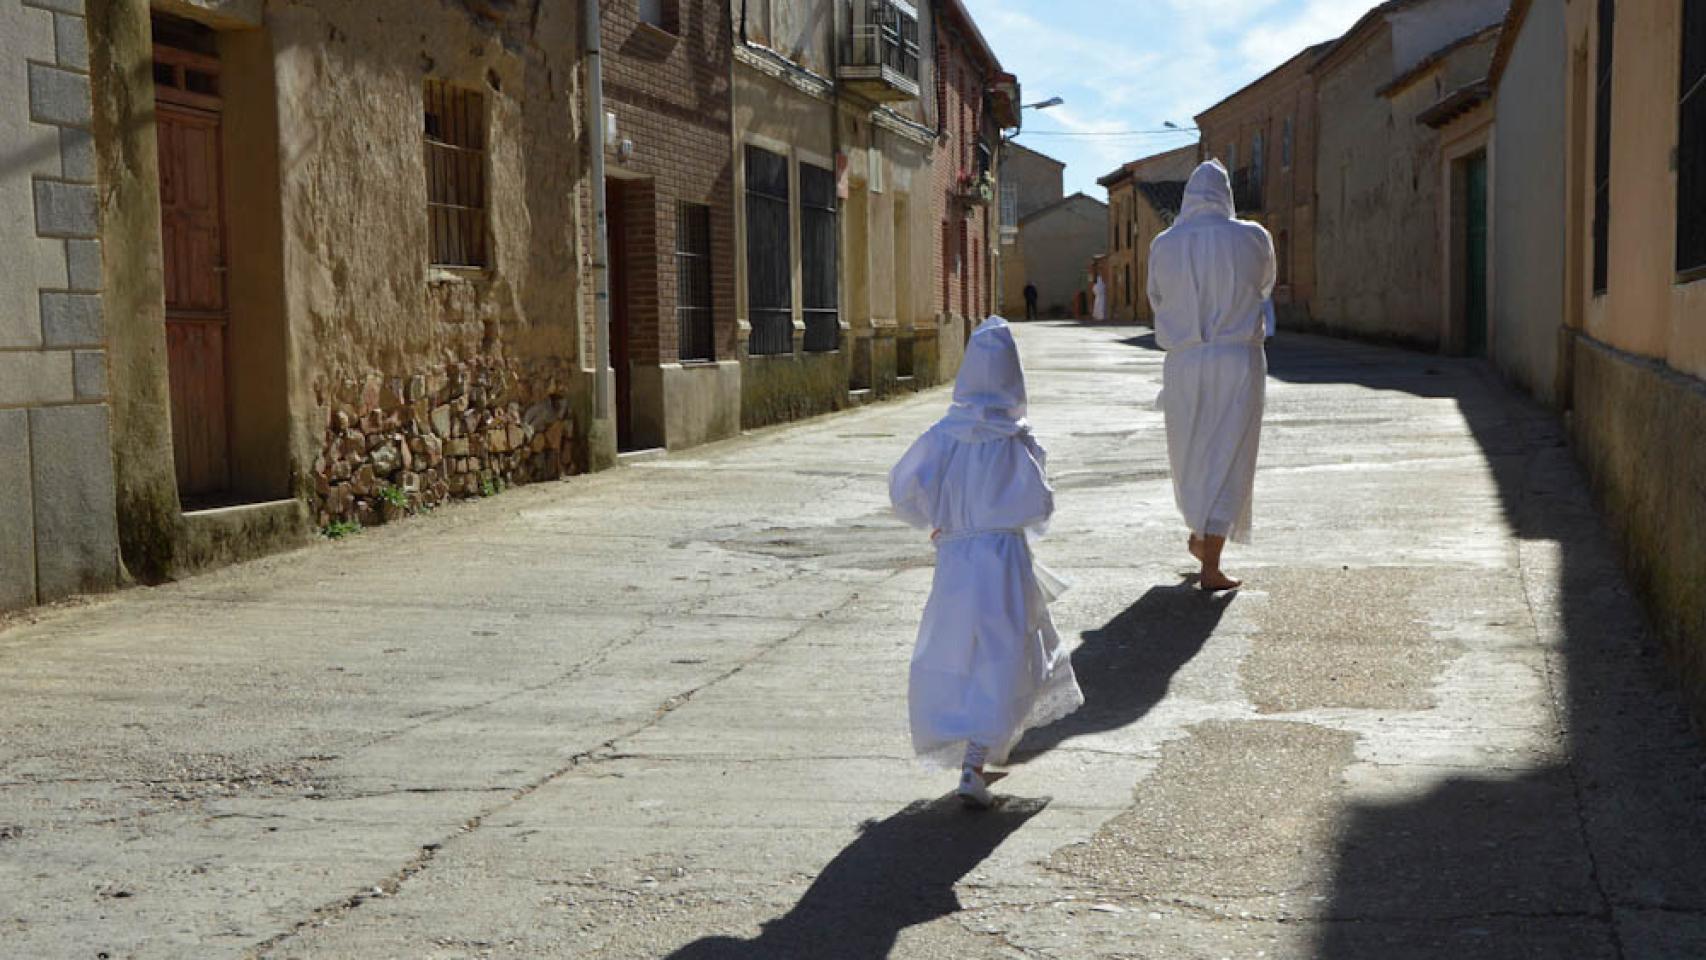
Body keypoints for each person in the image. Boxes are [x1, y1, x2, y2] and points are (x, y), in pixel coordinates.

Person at [889, 316, 1083, 808]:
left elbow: (902, 485)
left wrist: (935, 518)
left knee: (959, 647)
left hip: (956, 556)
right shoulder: (1018, 440)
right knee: (1006, 648)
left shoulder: (943, 434)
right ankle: (977, 756)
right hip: (1003, 558)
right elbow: (1040, 504)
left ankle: (975, 752)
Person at [1147, 160, 1275, 592]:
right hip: (1238, 358)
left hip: (1184, 360)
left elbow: (1156, 297)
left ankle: (1204, 537)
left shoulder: (1164, 244)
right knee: (1230, 452)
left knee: (1192, 450)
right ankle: (1210, 562)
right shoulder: (1253, 237)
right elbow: (1264, 285)